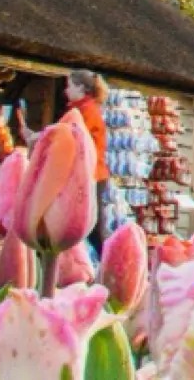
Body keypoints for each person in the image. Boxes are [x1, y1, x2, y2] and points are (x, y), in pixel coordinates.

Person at [65, 70, 109, 255]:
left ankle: (109, 261)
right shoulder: (79, 110)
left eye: (69, 86)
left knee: (92, 228)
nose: (65, 91)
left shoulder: (87, 111)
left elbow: (71, 137)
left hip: (92, 175)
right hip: (87, 174)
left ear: (81, 88)